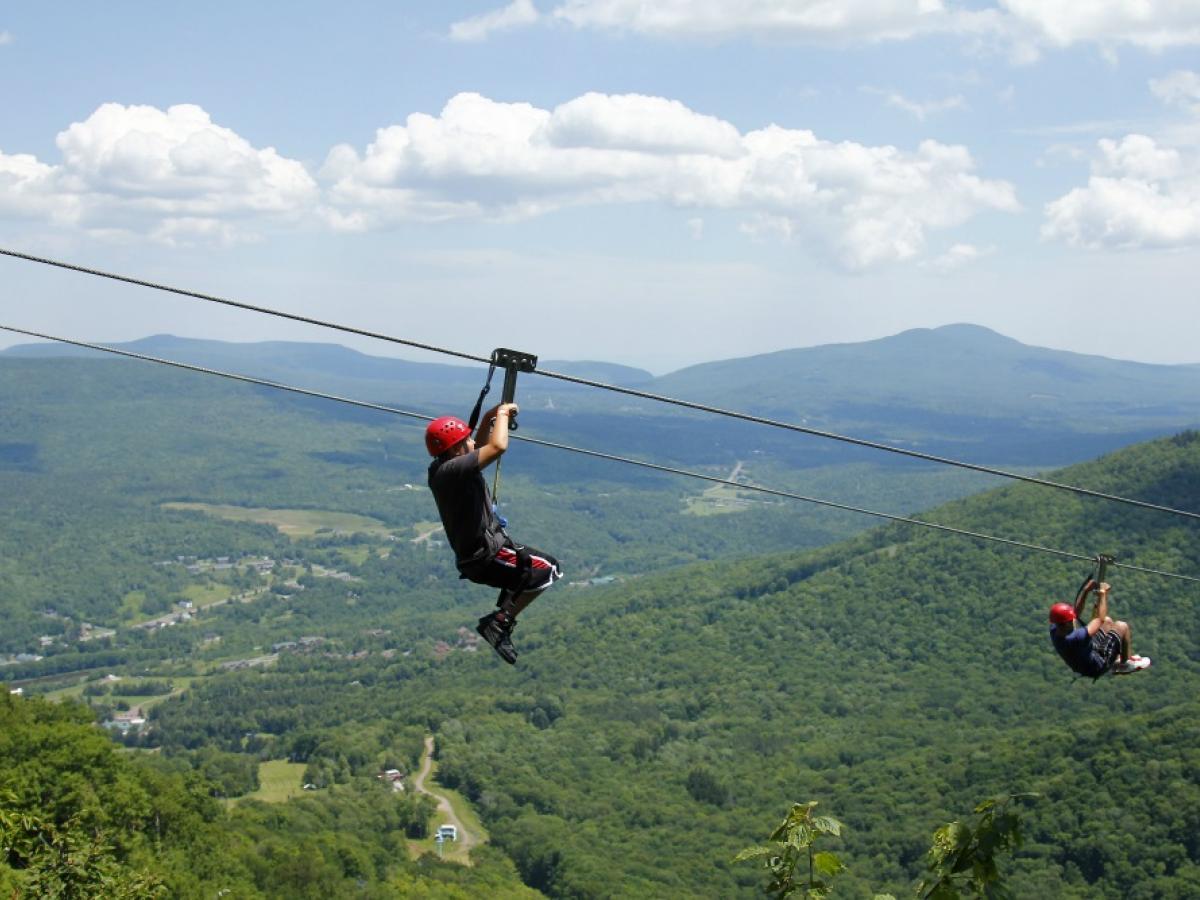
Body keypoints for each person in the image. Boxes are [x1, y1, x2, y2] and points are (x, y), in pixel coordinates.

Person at [426, 403, 562, 664]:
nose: (472, 443)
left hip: (478, 557)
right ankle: (500, 622)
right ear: (456, 449)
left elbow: (477, 447)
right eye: (466, 440)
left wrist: (489, 418)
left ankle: (502, 616)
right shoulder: (453, 471)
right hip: (486, 555)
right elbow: (497, 447)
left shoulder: (444, 468)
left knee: (539, 570)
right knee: (548, 569)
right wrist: (500, 416)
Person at [1048, 580, 1150, 678]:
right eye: (1070, 621)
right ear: (1065, 624)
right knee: (1122, 626)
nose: (1073, 621)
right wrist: (1103, 594)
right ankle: (1124, 664)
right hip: (1098, 665)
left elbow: (1075, 614)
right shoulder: (1075, 638)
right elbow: (1099, 619)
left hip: (1087, 656)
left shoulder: (1054, 629)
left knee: (1108, 621)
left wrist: (1086, 591)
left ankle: (1116, 658)